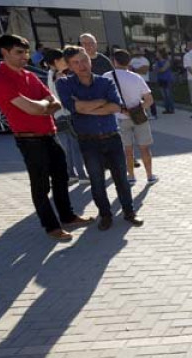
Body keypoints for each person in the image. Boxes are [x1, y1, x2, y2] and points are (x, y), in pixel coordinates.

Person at [0, 35, 93, 241]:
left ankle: (68, 216)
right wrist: (44, 106)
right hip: (29, 139)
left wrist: (43, 106)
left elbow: (53, 101)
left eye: (26, 52)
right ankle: (51, 226)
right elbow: (34, 108)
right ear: (5, 52)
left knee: (62, 178)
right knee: (41, 186)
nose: (25, 56)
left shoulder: (29, 75)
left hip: (50, 134)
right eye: (19, 52)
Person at [56, 45, 144, 231]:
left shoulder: (105, 82)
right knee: (97, 181)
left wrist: (87, 106)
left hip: (112, 137)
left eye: (84, 60)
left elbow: (115, 106)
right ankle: (105, 215)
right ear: (70, 66)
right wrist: (102, 102)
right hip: (88, 141)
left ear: (90, 60)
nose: (82, 66)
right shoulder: (64, 84)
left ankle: (129, 212)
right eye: (76, 63)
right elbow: (75, 108)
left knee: (121, 178)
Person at [104, 49, 158, 186]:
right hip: (139, 117)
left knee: (127, 150)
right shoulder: (136, 77)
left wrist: (124, 111)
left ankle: (131, 176)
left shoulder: (106, 77)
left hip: (119, 118)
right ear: (129, 62)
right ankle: (150, 175)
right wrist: (136, 110)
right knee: (144, 148)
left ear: (114, 61)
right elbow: (149, 100)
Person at [43, 48, 88, 186]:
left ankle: (71, 174)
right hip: (67, 114)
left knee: (67, 147)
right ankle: (82, 175)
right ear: (56, 61)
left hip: (59, 116)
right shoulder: (60, 77)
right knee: (75, 146)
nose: (67, 63)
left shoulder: (51, 74)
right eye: (63, 60)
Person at [130, 47, 157, 119]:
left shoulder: (145, 60)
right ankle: (142, 113)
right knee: (137, 99)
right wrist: (137, 69)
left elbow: (144, 71)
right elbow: (129, 69)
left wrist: (134, 69)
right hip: (134, 81)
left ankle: (153, 114)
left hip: (144, 81)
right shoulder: (132, 60)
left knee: (148, 98)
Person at [154, 49, 175, 114]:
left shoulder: (167, 61)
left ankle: (171, 108)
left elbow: (163, 69)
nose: (156, 55)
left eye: (157, 53)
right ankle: (167, 108)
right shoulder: (157, 62)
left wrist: (157, 69)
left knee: (168, 94)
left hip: (167, 79)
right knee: (164, 95)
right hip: (160, 79)